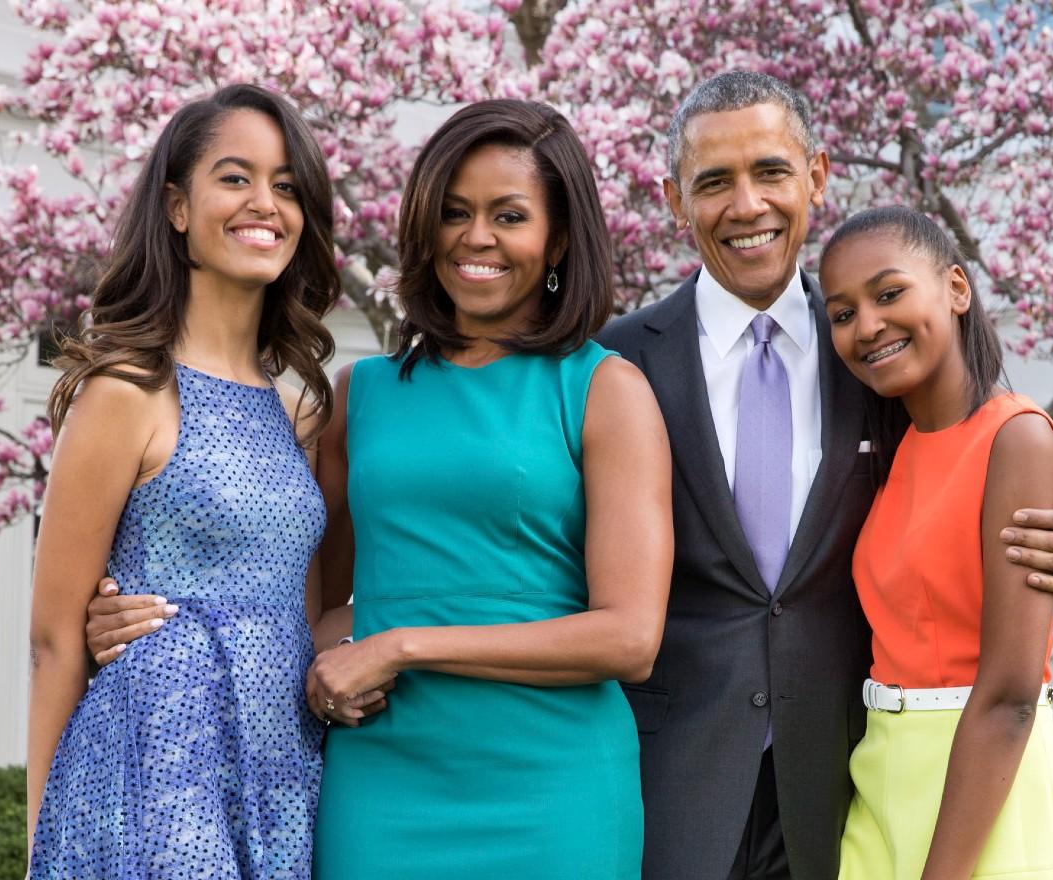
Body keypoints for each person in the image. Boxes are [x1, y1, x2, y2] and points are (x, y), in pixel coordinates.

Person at [84, 98, 673, 879]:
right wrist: (158, 619)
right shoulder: (358, 396)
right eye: (454, 212)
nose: (476, 238)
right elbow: (306, 611)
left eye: (510, 215)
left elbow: (629, 639)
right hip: (380, 783)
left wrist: (400, 644)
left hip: (555, 789)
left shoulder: (606, 389)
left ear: (558, 236)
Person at [593, 72, 1053, 880]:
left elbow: (969, 467)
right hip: (675, 779)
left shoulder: (879, 356)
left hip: (843, 780)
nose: (748, 205)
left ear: (817, 176)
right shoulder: (618, 361)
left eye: (770, 171)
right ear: (672, 200)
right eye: (714, 182)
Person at [27, 84, 348, 878]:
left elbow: (301, 619)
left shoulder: (300, 415)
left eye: (286, 186)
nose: (263, 204)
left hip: (281, 774)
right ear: (177, 207)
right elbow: (54, 637)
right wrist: (42, 848)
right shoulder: (126, 391)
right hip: (150, 776)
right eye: (235, 178)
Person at [819, 206, 1053, 878]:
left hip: (988, 792)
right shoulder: (893, 452)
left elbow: (1009, 695)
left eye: (889, 294)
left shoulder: (1017, 437)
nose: (867, 326)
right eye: (842, 313)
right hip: (882, 781)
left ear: (955, 288)